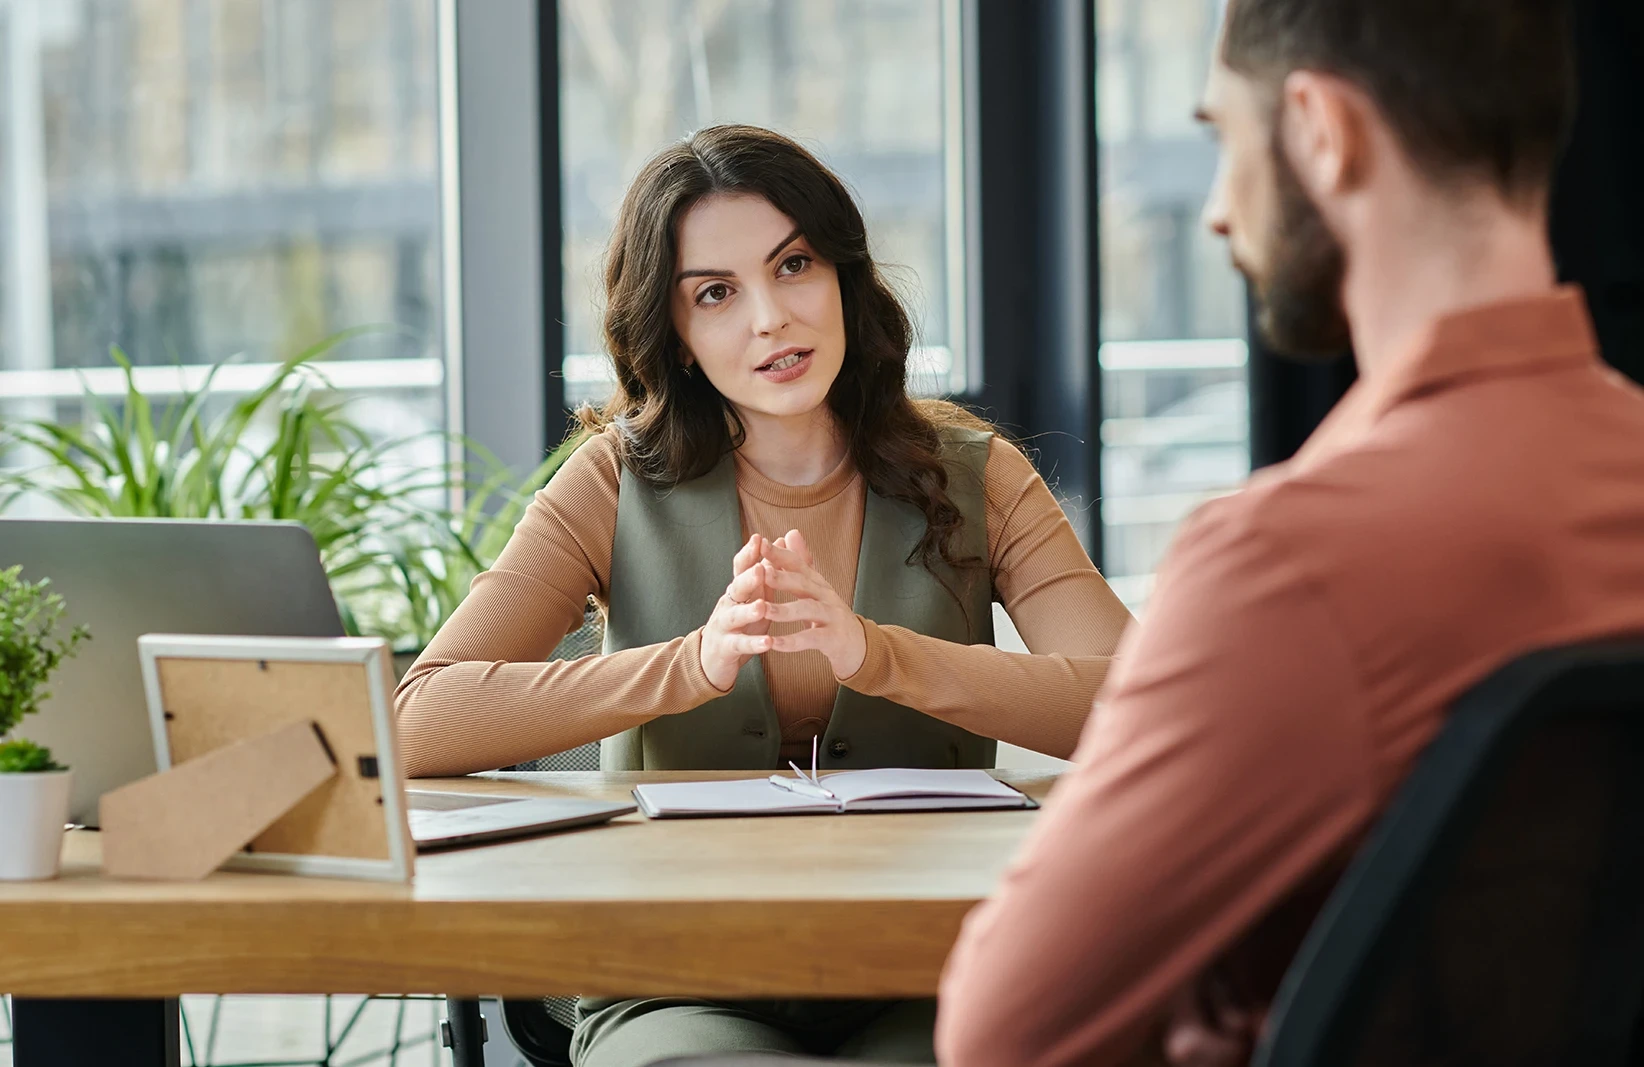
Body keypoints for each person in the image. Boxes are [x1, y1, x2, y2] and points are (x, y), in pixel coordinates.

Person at [937, 1, 1644, 1065]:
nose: (1219, 210)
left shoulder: (1285, 561)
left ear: (1321, 130)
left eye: (1224, 137)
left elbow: (1003, 1033)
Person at [393, 124, 1133, 1065]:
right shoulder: (611, 481)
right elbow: (417, 717)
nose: (771, 319)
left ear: (844, 280)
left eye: (793, 266)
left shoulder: (976, 473)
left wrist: (880, 656)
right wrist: (688, 666)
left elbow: (1144, 709)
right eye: (716, 293)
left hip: (931, 961)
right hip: (678, 971)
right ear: (679, 337)